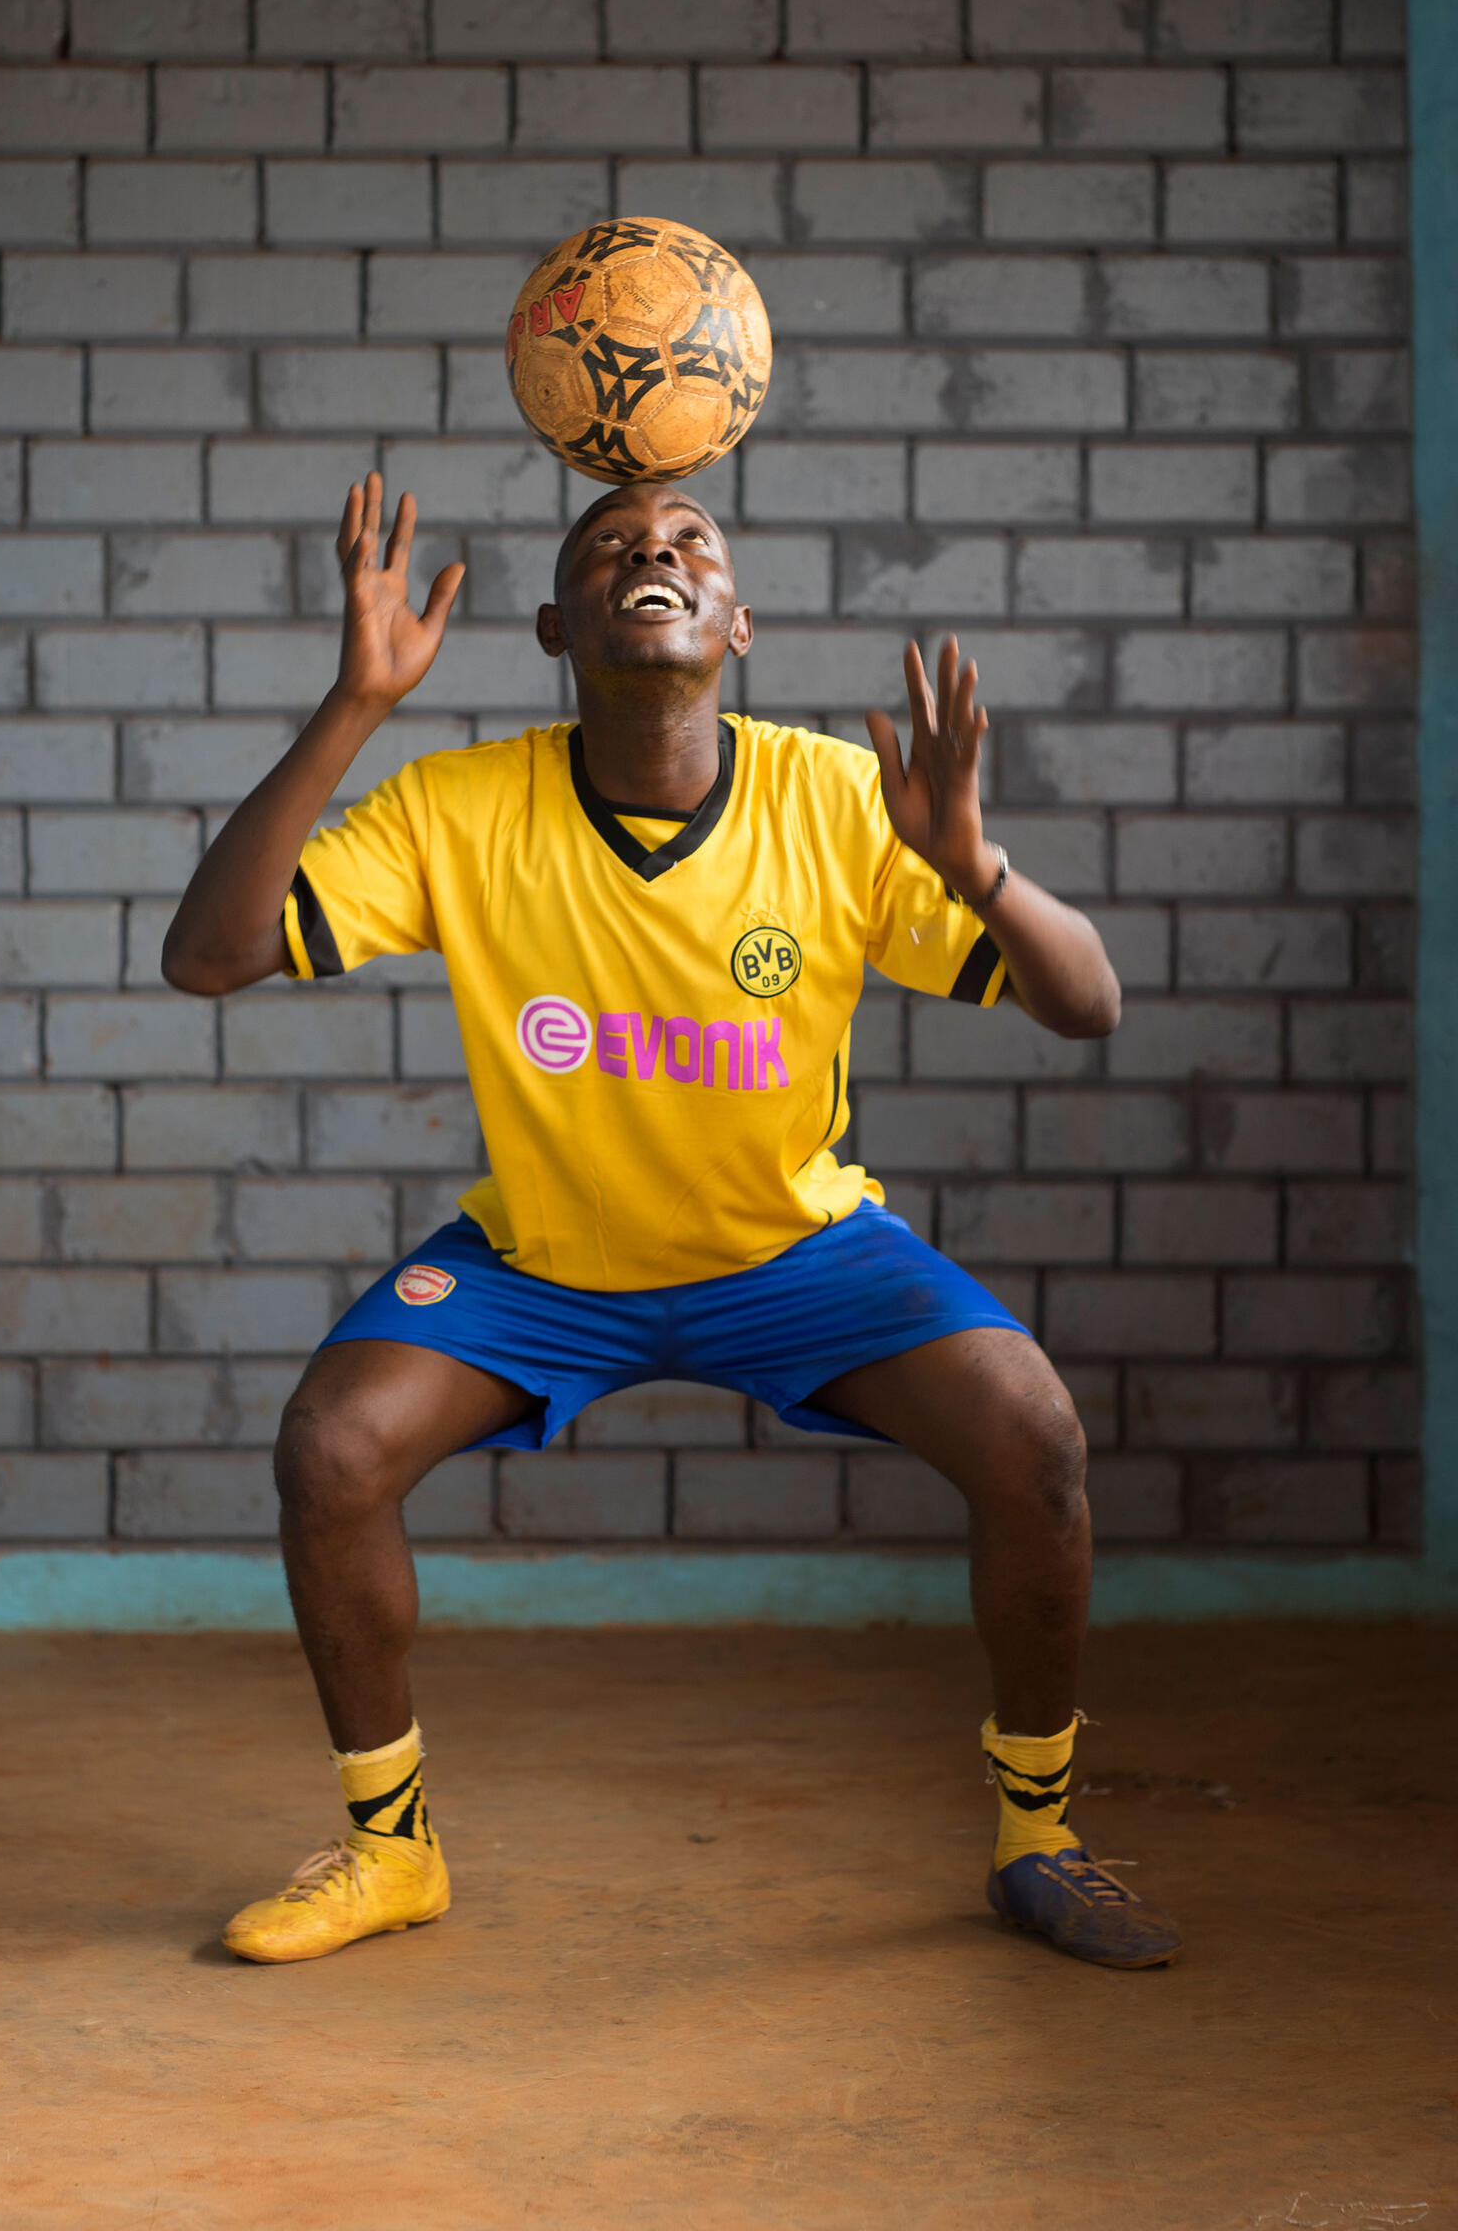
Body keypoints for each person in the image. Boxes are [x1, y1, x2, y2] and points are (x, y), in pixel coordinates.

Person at [163, 472, 1181, 1973]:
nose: (656, 552)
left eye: (692, 542)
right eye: (614, 546)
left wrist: (979, 871)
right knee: (333, 1448)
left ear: (738, 624)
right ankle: (391, 1852)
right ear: (555, 628)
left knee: (1033, 1436)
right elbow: (208, 955)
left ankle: (1039, 1839)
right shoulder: (461, 807)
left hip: (799, 1258)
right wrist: (355, 705)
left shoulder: (835, 798)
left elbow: (1086, 1004)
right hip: (548, 1265)